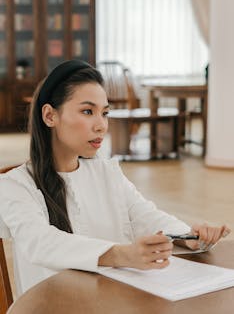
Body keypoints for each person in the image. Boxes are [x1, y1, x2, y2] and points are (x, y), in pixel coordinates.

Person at [0, 60, 230, 297]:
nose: (101, 125)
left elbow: (145, 215)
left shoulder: (107, 172)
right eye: (87, 111)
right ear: (50, 116)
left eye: (105, 113)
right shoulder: (15, 185)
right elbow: (40, 242)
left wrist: (188, 237)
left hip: (110, 303)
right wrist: (122, 254)